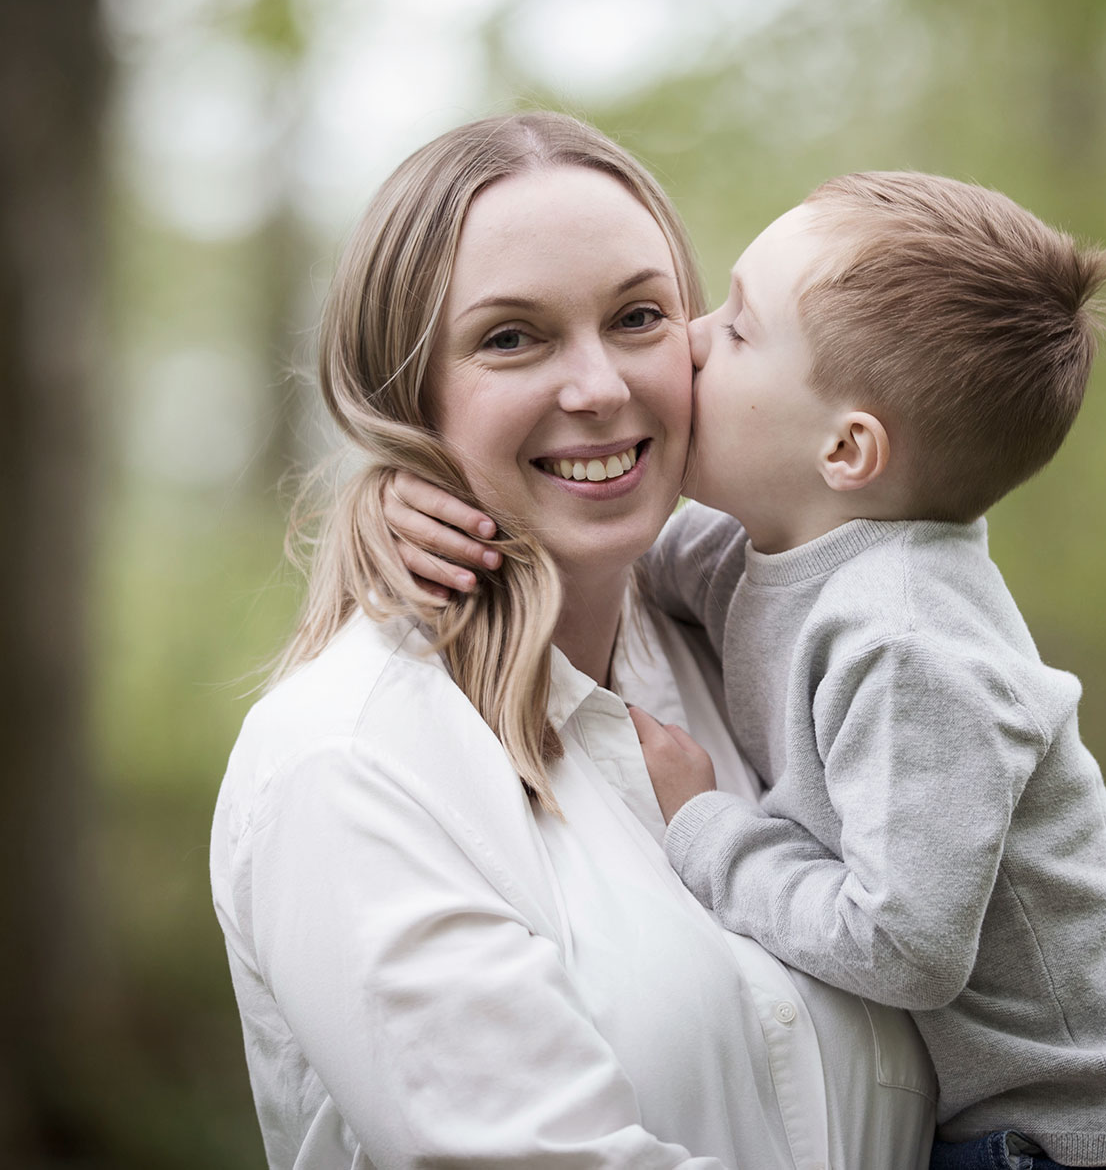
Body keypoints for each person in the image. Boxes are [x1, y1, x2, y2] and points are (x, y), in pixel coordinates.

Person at [399, 172, 1106, 1169]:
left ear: (845, 448)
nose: (688, 341)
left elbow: (905, 946)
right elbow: (598, 539)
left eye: (736, 330)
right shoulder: (780, 551)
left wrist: (701, 826)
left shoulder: (905, 641)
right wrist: (431, 501)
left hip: (1071, 1141)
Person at [209, 114, 938, 1170]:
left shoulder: (768, 660)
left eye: (638, 316)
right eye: (511, 337)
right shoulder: (348, 763)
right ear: (404, 395)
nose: (599, 388)